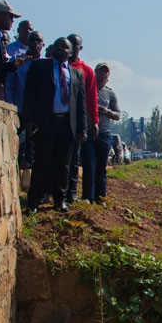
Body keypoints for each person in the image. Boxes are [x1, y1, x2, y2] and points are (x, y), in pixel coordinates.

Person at [22, 37, 87, 215]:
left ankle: (60, 200)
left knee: (63, 165)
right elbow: (29, 94)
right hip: (45, 123)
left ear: (70, 52)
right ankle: (34, 201)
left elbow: (80, 104)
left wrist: (82, 129)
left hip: (67, 125)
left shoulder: (76, 74)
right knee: (42, 162)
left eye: (63, 47)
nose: (59, 49)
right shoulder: (39, 67)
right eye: (56, 46)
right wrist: (28, 119)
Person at [81, 62, 121, 206]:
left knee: (101, 168)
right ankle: (87, 197)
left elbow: (118, 115)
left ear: (108, 76)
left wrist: (107, 111)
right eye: (100, 71)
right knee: (89, 165)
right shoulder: (87, 89)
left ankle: (100, 198)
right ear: (95, 72)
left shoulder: (110, 93)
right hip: (88, 132)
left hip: (104, 133)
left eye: (105, 72)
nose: (102, 74)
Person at [65, 33, 98, 203]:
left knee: (75, 158)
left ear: (80, 48)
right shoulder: (57, 66)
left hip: (78, 120)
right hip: (61, 117)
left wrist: (95, 121)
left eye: (74, 45)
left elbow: (91, 98)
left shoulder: (86, 71)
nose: (71, 48)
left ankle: (71, 193)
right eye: (68, 44)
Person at [5, 30, 44, 168]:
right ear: (27, 42)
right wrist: (10, 105)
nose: (35, 43)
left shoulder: (46, 65)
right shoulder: (18, 60)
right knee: (16, 143)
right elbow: (9, 85)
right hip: (19, 108)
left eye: (38, 41)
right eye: (32, 40)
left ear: (43, 45)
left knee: (34, 145)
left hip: (38, 111)